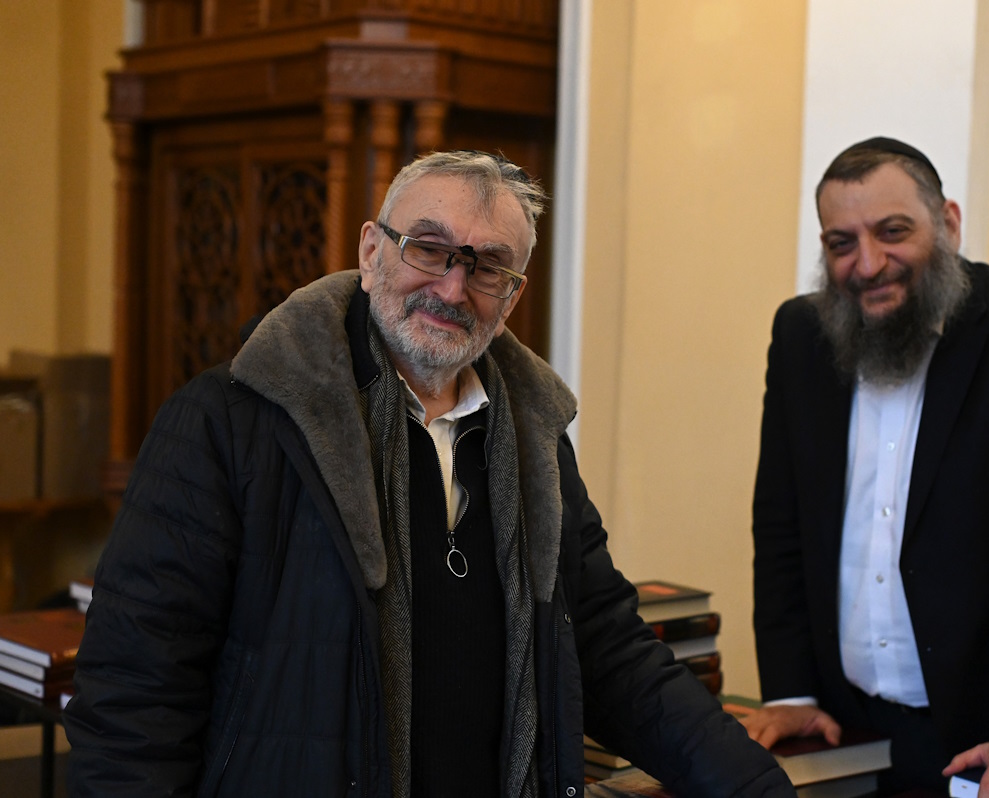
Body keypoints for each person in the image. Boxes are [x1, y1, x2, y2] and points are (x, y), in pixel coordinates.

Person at [63, 150, 793, 798]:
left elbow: (606, 647)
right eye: (429, 249)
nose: (451, 288)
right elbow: (135, 687)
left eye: (487, 266)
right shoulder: (230, 420)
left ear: (512, 296)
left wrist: (756, 786)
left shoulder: (535, 439)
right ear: (371, 250)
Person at [740, 137, 989, 797]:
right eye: (841, 243)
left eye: (893, 232)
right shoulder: (801, 335)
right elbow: (781, 523)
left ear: (948, 223)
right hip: (845, 730)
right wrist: (791, 692)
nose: (869, 264)